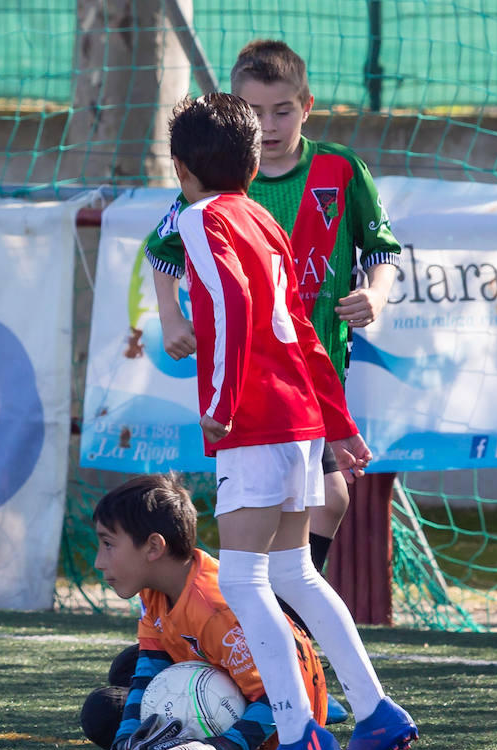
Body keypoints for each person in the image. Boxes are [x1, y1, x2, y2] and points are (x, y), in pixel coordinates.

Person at [165, 92, 416, 750]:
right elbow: (302, 332)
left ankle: (300, 729)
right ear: (252, 163)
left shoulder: (200, 218)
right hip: (300, 418)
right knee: (293, 573)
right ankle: (374, 713)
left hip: (256, 422)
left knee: (244, 581)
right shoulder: (265, 220)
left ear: (181, 167)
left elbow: (239, 309)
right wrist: (335, 420)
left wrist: (217, 405)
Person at [143, 40, 401, 604]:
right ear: (237, 114)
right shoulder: (222, 178)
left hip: (316, 364)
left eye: (282, 110)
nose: (270, 123)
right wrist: (171, 317)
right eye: (254, 113)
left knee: (316, 504)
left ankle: (267, 628)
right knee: (303, 506)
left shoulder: (340, 169)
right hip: (256, 375)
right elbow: (161, 252)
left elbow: (382, 249)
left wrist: (375, 296)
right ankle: (269, 627)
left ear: (306, 105)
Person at [80, 474, 336, 750]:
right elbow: (150, 666)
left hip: (278, 728)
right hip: (237, 676)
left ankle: (322, 706)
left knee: (101, 712)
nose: (98, 561)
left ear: (153, 548)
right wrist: (128, 736)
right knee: (128, 665)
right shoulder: (156, 588)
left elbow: (281, 696)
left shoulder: (216, 609)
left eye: (108, 544)